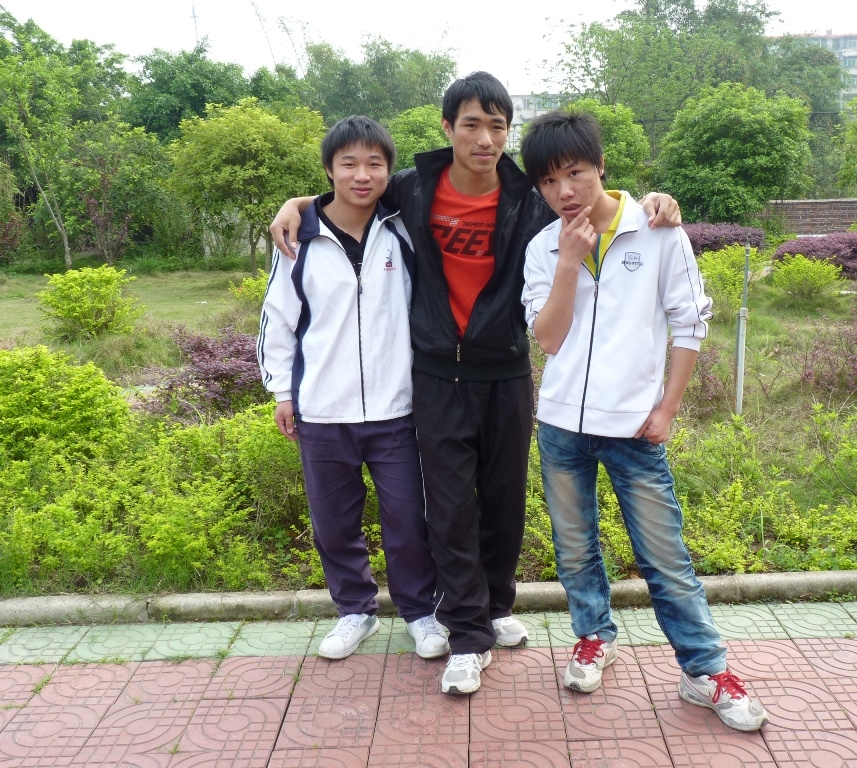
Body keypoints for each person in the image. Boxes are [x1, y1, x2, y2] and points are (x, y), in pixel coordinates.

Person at [269, 73, 680, 695]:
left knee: (504, 503)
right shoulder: (413, 188)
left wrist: (654, 199)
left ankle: (492, 605)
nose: (485, 139)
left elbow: (590, 196)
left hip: (505, 371)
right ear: (448, 128)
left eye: (497, 126)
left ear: (508, 132)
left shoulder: (529, 195)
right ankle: (466, 636)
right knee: (450, 507)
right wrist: (297, 204)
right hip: (436, 375)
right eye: (471, 125)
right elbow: (351, 190)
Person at [520, 110, 769, 732]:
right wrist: (568, 263)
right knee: (575, 549)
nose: (565, 191)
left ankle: (705, 671)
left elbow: (689, 322)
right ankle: (593, 637)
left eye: (575, 173)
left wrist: (668, 408)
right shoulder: (543, 247)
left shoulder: (658, 231)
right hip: (561, 426)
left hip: (633, 427)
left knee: (664, 556)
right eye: (549, 181)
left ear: (601, 166)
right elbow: (548, 339)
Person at [257, 116, 448, 662]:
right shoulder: (299, 240)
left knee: (408, 521)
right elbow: (278, 319)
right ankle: (354, 611)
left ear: (389, 171)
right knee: (334, 524)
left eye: (374, 164)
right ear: (329, 170)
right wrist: (282, 392)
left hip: (396, 409)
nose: (362, 175)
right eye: (349, 164)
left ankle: (420, 612)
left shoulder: (404, 229)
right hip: (322, 410)